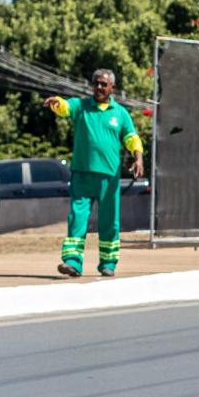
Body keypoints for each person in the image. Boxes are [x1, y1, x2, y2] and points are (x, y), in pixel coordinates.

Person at [43, 69, 143, 278]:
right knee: (77, 216)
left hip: (109, 176)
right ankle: (72, 262)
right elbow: (66, 107)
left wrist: (138, 158)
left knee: (109, 220)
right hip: (82, 174)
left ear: (112, 88)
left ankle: (108, 263)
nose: (99, 87)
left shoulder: (120, 113)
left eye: (103, 84)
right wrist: (57, 102)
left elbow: (131, 137)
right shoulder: (82, 106)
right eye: (96, 83)